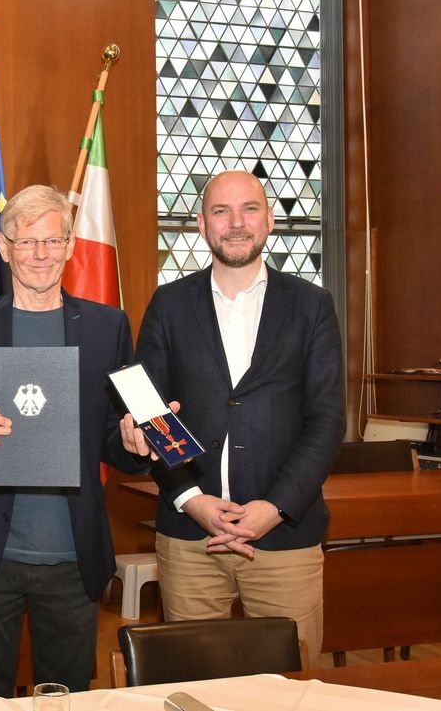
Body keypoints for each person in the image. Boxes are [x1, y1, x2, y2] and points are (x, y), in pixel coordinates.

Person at [0, 184, 141, 700]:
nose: (40, 254)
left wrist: (133, 442)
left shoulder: (107, 328)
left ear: (70, 246)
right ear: (3, 248)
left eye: (52, 240)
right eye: (26, 242)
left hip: (72, 555)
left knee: (67, 700)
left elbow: (114, 434)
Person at [120, 170, 344, 662]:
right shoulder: (168, 305)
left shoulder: (312, 306)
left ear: (269, 221)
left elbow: (327, 419)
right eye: (221, 211)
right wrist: (190, 498)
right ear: (202, 224)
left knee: (291, 690)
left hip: (286, 536)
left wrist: (276, 507)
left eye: (249, 209)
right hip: (190, 539)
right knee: (194, 681)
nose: (236, 222)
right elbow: (149, 412)